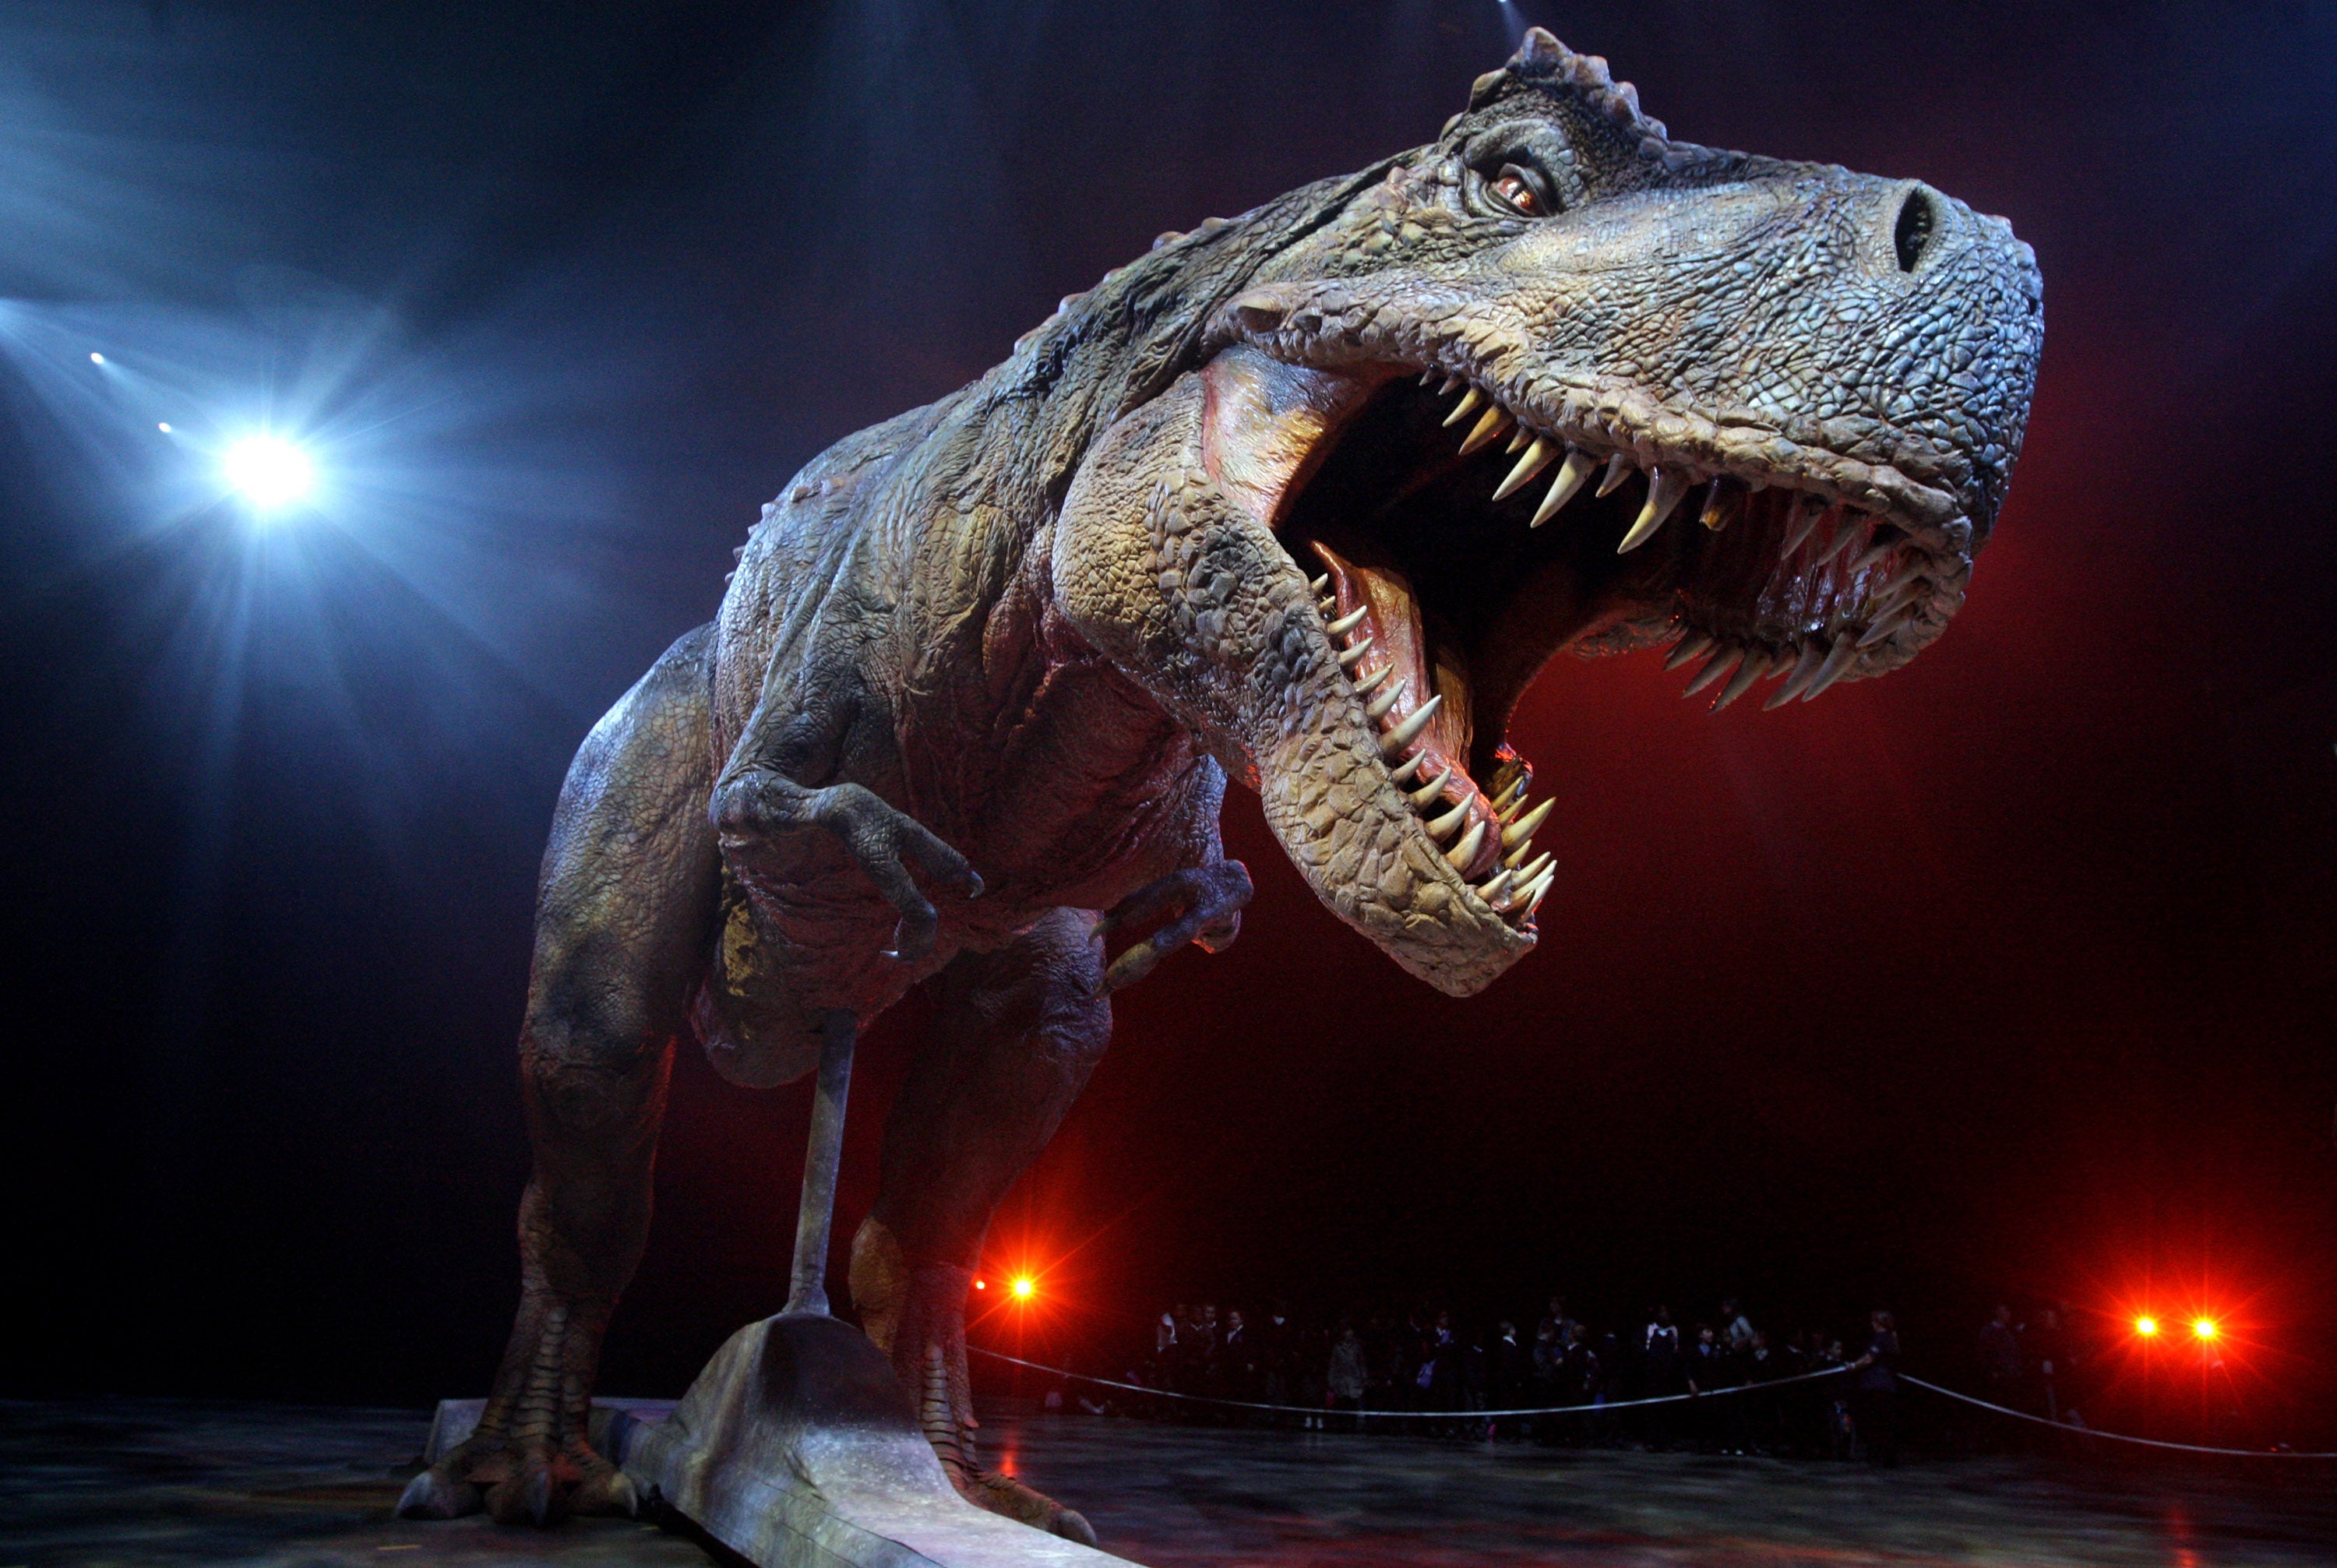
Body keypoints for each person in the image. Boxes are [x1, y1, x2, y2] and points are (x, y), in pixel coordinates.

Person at [1850, 1309, 1902, 1466]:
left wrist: (1854, 1365)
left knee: (1877, 1423)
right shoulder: (1891, 1339)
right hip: (1886, 1386)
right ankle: (1885, 1457)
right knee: (1885, 1423)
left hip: (1878, 1386)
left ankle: (1878, 1457)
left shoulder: (1881, 1338)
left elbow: (1869, 1359)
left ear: (1878, 1323)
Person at [1327, 1320, 1366, 1431]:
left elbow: (1361, 1364)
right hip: (1341, 1380)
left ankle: (1352, 1426)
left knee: (1353, 1403)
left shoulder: (1357, 1347)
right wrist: (1331, 1380)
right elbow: (1333, 1365)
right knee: (1341, 1403)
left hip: (1354, 1379)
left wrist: (1364, 1378)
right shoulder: (1337, 1347)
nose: (1349, 1334)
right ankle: (1341, 1425)